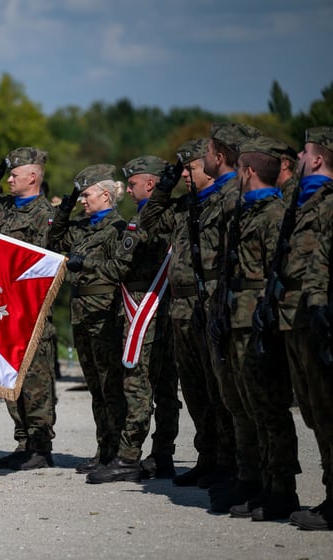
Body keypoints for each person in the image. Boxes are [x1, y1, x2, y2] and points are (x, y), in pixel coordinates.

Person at [73, 155, 180, 483]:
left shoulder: (151, 219)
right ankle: (160, 456)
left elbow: (122, 265)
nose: (128, 190)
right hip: (154, 305)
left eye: (132, 184)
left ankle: (130, 457)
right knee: (160, 387)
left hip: (145, 306)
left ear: (150, 184)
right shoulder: (151, 216)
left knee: (138, 384)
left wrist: (84, 266)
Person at [218, 136, 301, 521]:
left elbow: (276, 271)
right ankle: (257, 481)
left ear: (248, 171)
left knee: (269, 408)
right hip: (236, 316)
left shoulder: (272, 214)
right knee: (248, 405)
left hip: (258, 321)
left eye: (238, 169)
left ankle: (281, 489)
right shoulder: (245, 213)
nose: (234, 174)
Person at [139, 139, 229, 488]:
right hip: (181, 308)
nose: (186, 175)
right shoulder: (181, 207)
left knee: (218, 387)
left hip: (209, 303)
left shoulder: (223, 201)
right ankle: (207, 457)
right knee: (193, 389)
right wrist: (165, 184)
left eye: (190, 168)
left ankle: (228, 460)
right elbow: (148, 221)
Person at [0, 147, 58, 470]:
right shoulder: (6, 209)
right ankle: (23, 442)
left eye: (14, 174)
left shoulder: (46, 215)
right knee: (10, 377)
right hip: (3, 306)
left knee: (36, 380)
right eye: (7, 175)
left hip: (31, 308)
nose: (9, 179)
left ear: (33, 177)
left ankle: (41, 445)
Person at [201, 123, 264, 513]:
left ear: (220, 156)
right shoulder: (225, 196)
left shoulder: (235, 198)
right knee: (232, 398)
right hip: (225, 303)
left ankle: (265, 482)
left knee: (254, 401)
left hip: (247, 309)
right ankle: (245, 476)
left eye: (206, 150)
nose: (201, 157)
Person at [48, 164, 127, 474]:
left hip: (104, 311)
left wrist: (87, 262)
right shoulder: (82, 227)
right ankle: (103, 448)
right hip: (82, 311)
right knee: (95, 386)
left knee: (110, 384)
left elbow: (118, 265)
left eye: (86, 194)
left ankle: (119, 450)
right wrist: (64, 212)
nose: (82, 199)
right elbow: (55, 239)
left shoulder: (119, 228)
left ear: (105, 195)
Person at [279, 126, 333, 531]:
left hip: (319, 315)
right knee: (315, 409)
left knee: (327, 408)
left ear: (317, 159)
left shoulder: (327, 203)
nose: (297, 158)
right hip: (297, 314)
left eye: (303, 153)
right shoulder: (299, 202)